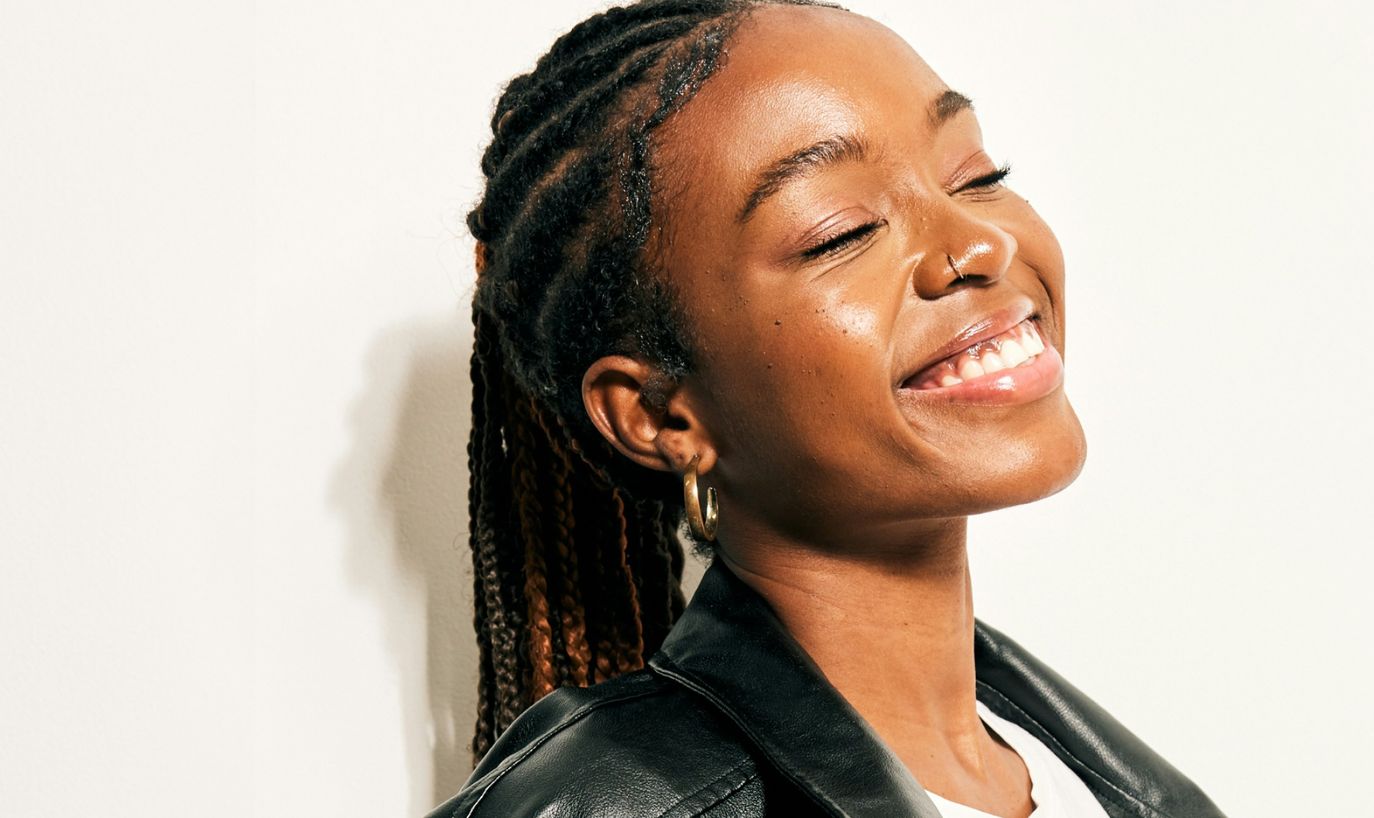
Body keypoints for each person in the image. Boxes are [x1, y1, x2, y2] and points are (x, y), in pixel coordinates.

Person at [429, 0, 1225, 815]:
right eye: (840, 232)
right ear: (663, 417)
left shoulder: (1118, 791)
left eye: (977, 176)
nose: (982, 244)